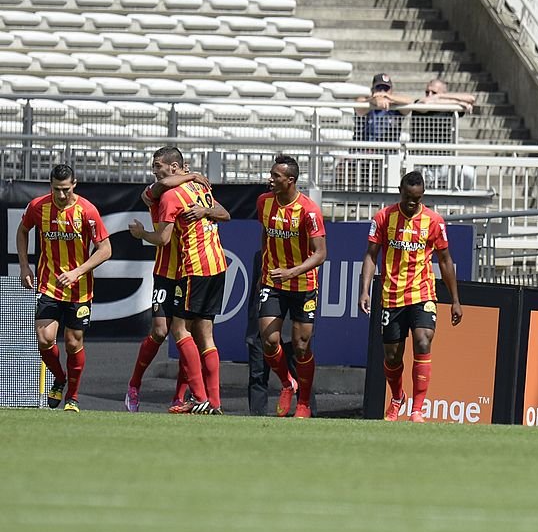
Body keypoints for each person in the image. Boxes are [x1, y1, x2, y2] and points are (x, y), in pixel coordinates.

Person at [129, 146, 230, 415]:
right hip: (214, 264)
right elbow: (153, 189)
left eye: (158, 166)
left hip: (192, 266)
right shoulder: (197, 188)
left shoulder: (172, 196)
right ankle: (210, 401)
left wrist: (140, 233)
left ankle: (198, 398)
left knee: (180, 331)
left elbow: (163, 238)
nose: (154, 171)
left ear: (173, 167)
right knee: (190, 334)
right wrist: (193, 176)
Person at [359, 170, 463, 423]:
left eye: (416, 199)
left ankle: (417, 409)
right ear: (400, 192)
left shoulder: (434, 221)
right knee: (392, 356)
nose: (411, 203)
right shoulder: (384, 217)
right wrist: (364, 290)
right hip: (391, 295)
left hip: (422, 292)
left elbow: (445, 260)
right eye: (407, 197)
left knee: (423, 341)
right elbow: (371, 254)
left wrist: (455, 300)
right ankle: (397, 398)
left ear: (422, 196)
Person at [16, 164, 111, 412]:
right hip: (48, 284)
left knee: (72, 343)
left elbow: (106, 250)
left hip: (79, 289)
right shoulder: (38, 206)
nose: (61, 195)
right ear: (50, 185)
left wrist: (78, 271)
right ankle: (59, 378)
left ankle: (73, 396)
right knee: (44, 338)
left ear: (74, 184)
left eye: (66, 189)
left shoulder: (87, 211)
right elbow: (23, 230)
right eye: (56, 189)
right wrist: (25, 267)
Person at [255, 155, 327, 419]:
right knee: (270, 340)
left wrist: (291, 272)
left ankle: (304, 402)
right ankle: (287, 383)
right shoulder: (264, 202)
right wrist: (271, 267)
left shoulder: (309, 210)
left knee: (301, 346)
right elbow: (265, 233)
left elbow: (320, 253)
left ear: (291, 180)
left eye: (276, 176)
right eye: (271, 174)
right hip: (273, 282)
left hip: (303, 284)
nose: (270, 179)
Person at [357, 73, 414, 143]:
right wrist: (374, 100)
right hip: (365, 149)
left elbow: (410, 101)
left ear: (391, 91)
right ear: (372, 90)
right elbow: (359, 107)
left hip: (389, 150)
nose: (382, 92)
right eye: (379, 88)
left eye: (386, 89)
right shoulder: (366, 102)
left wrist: (387, 97)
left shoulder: (397, 105)